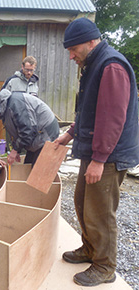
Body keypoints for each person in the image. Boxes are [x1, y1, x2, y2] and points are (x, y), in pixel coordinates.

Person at [54, 18, 139, 287]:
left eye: (73, 49)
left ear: (92, 41)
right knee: (81, 201)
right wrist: (70, 133)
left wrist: (100, 159)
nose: (71, 56)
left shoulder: (111, 66)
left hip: (109, 156)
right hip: (95, 151)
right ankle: (90, 249)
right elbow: (91, 110)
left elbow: (112, 117)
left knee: (100, 211)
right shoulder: (94, 64)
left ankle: (104, 266)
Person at [0, 89, 59, 166]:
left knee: (37, 168)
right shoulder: (5, 109)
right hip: (36, 134)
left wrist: (15, 150)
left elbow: (27, 131)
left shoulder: (14, 104)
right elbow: (17, 131)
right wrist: (17, 149)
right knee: (28, 165)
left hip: (46, 131)